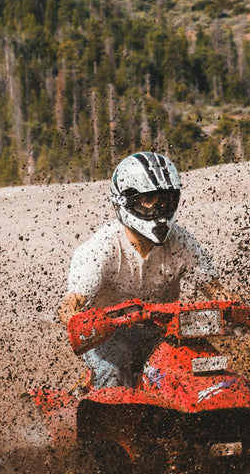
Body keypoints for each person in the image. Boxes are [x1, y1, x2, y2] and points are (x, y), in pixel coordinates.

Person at [58, 151, 223, 388]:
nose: (159, 209)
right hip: (108, 338)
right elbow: (70, 305)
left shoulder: (181, 241)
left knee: (207, 363)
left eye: (166, 200)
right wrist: (81, 322)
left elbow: (217, 292)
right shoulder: (100, 248)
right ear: (125, 201)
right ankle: (108, 420)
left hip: (164, 332)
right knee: (112, 368)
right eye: (150, 200)